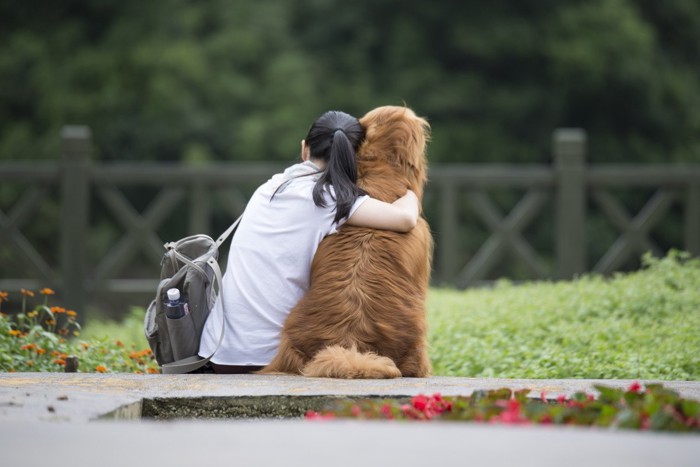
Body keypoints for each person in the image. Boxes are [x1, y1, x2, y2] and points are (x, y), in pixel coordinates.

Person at [198, 110, 420, 373]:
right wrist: (410, 191)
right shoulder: (329, 200)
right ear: (353, 158)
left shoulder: (270, 186)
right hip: (269, 359)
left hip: (216, 351)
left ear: (304, 149)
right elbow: (405, 219)